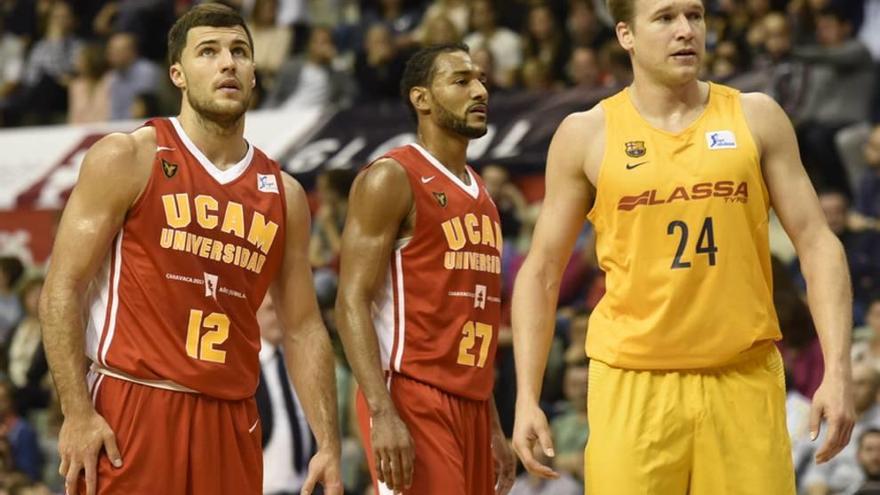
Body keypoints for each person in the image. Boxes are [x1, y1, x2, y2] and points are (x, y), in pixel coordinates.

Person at [510, 0, 855, 493]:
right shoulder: (586, 133)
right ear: (626, 35)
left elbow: (819, 244)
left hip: (743, 377)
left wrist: (837, 371)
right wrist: (527, 395)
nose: (686, 31)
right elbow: (541, 270)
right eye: (666, 18)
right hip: (633, 384)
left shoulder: (756, 116)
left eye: (695, 16)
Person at [38, 4, 341, 495]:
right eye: (209, 51)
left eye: (240, 52)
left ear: (254, 72)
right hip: (133, 404)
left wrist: (327, 441)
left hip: (232, 416)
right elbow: (61, 288)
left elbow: (303, 324)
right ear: (177, 73)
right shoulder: (130, 156)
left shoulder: (283, 194)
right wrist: (76, 411)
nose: (228, 63)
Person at [335, 43, 516, 495]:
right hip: (411, 394)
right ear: (422, 99)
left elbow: (471, 322)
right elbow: (350, 301)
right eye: (460, 81)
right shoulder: (391, 178)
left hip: (471, 404)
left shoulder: (484, 197)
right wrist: (381, 412)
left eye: (480, 80)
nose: (478, 90)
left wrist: (493, 426)